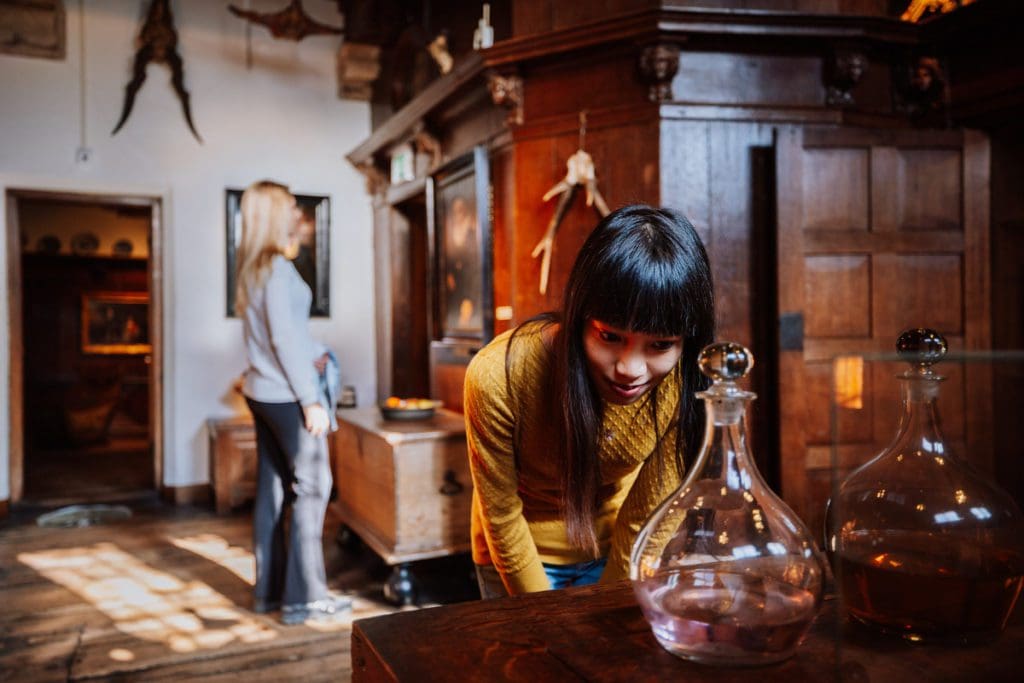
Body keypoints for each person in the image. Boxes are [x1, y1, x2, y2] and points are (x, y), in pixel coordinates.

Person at [463, 204, 715, 597]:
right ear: (580, 317)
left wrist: (606, 603)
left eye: (660, 345)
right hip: (513, 553)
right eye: (610, 336)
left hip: (617, 547)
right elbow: (502, 516)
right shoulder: (498, 375)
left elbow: (647, 515)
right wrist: (543, 613)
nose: (630, 368)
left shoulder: (682, 380)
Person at [234, 179, 349, 624]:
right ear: (273, 216)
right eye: (289, 208)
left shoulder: (254, 269)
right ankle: (306, 598)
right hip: (286, 396)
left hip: (261, 391)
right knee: (314, 487)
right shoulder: (278, 272)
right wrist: (311, 400)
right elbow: (282, 338)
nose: (297, 216)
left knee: (274, 488)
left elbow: (281, 337)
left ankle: (269, 592)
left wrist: (312, 349)